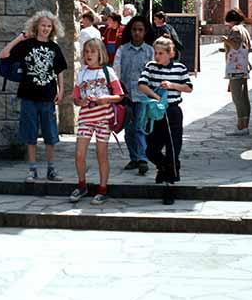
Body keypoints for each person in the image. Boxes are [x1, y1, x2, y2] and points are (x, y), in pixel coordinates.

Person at [0, 10, 67, 182]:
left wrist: (61, 90)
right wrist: (21, 37)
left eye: (49, 26)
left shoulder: (54, 48)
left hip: (48, 96)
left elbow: (59, 71)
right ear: (36, 26)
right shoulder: (27, 45)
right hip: (28, 95)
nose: (45, 28)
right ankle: (32, 169)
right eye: (43, 25)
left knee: (50, 134)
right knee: (30, 134)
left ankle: (51, 169)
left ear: (53, 29)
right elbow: (3, 54)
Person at [138, 36, 193, 205]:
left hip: (172, 111)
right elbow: (141, 84)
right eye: (156, 52)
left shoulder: (179, 68)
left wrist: (172, 85)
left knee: (172, 149)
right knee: (151, 149)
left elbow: (188, 87)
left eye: (161, 53)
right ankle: (162, 167)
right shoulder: (151, 67)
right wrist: (156, 97)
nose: (157, 56)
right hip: (156, 112)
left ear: (170, 53)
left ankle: (169, 186)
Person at [70, 38, 124, 205]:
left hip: (103, 120)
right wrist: (81, 102)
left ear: (100, 53)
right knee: (79, 154)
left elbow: (119, 96)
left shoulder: (108, 72)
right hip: (86, 118)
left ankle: (102, 188)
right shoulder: (82, 73)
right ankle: (82, 185)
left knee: (101, 154)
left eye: (92, 51)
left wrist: (104, 99)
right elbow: (75, 98)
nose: (89, 55)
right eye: (86, 51)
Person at [113, 21, 154, 175]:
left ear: (145, 32)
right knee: (129, 130)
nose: (137, 32)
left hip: (143, 97)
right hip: (127, 96)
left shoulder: (150, 51)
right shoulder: (122, 50)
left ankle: (143, 158)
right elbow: (116, 72)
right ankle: (134, 158)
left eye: (140, 30)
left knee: (139, 127)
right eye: (134, 30)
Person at [223, 7, 252, 136]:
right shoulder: (244, 29)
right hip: (243, 65)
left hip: (235, 67)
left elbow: (235, 46)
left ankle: (241, 126)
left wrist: (225, 40)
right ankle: (245, 125)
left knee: (237, 97)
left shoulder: (235, 30)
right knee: (244, 96)